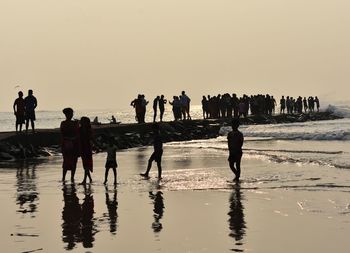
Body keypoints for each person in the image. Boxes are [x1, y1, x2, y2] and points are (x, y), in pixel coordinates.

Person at [60, 108, 80, 182]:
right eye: (69, 114)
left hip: (73, 144)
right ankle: (64, 178)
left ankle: (71, 177)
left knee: (73, 161)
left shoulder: (73, 123)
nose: (71, 115)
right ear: (66, 114)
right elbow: (63, 134)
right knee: (66, 162)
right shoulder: (64, 123)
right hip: (67, 144)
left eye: (71, 114)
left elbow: (78, 133)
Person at [80, 117, 93, 184]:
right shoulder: (81, 129)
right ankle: (89, 179)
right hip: (84, 148)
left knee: (86, 165)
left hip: (86, 148)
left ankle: (85, 179)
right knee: (85, 165)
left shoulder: (87, 130)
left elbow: (89, 138)